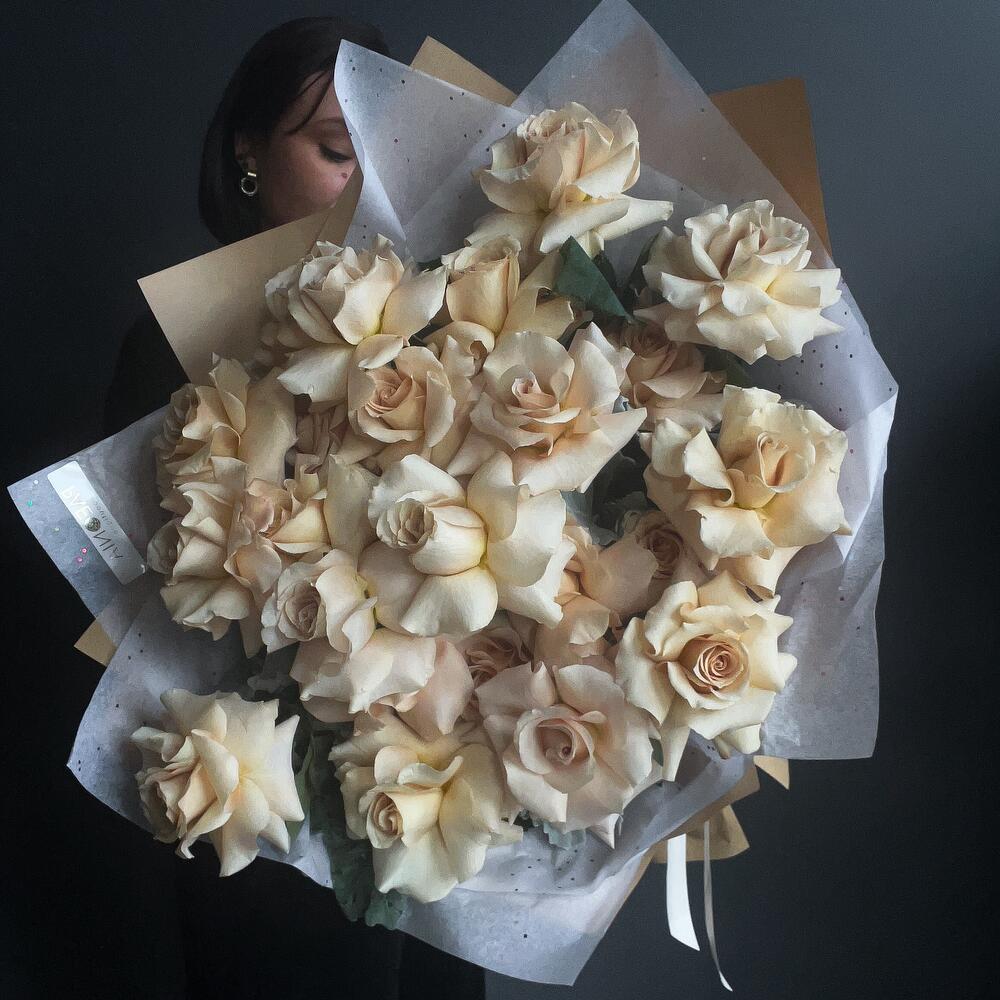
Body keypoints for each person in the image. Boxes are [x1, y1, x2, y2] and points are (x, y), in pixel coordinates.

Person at [101, 17, 486, 1000]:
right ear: (248, 153)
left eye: (378, 152)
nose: (361, 181)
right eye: (332, 150)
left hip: (429, 799)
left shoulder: (438, 314)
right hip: (262, 799)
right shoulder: (170, 341)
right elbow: (150, 595)